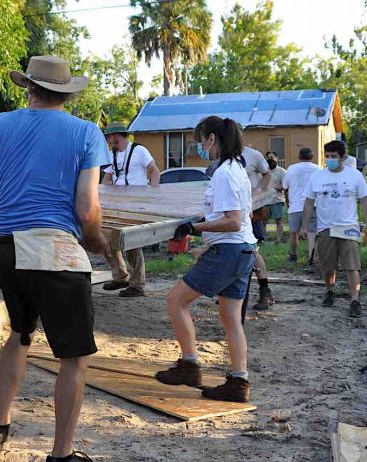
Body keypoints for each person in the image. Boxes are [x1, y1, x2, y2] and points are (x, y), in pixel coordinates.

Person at [0, 55, 109, 461]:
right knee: (73, 357)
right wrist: (96, 238)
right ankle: (61, 454)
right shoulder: (86, 133)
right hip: (55, 249)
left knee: (19, 332)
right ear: (66, 94)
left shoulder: (0, 124)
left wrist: (15, 208)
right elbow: (86, 208)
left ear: (28, 88)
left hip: (7, 247)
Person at [154, 116, 256, 402]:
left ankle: (189, 365)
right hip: (243, 250)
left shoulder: (224, 173)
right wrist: (201, 223)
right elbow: (236, 216)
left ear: (212, 139)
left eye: (200, 140)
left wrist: (195, 229)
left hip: (229, 249)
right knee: (231, 319)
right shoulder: (236, 169)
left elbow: (233, 221)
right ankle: (238, 382)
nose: (199, 146)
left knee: (176, 300)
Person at [302, 140, 367, 317]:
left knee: (352, 266)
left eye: (334, 156)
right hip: (326, 227)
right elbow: (309, 203)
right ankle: (330, 291)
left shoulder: (354, 175)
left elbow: (365, 201)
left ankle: (355, 300)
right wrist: (305, 226)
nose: (330, 159)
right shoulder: (317, 177)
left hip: (348, 227)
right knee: (328, 266)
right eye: (327, 156)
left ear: (342, 157)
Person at [100, 121, 160, 297]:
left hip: (135, 204)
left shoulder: (139, 151)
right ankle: (120, 276)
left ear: (117, 135)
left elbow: (154, 171)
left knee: (132, 243)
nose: (109, 141)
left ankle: (138, 284)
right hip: (116, 203)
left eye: (110, 137)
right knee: (108, 238)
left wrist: (154, 195)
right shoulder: (113, 155)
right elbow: (108, 178)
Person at [241, 144, 275, 311]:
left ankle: (264, 291)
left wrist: (259, 195)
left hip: (251, 210)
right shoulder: (223, 155)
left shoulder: (253, 155)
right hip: (233, 210)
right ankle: (235, 292)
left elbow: (267, 175)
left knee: (253, 251)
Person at [283, 147, 320, 264]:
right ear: (312, 157)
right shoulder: (318, 169)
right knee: (312, 233)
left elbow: (285, 186)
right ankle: (311, 258)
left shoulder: (292, 169)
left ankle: (293, 255)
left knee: (294, 233)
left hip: (296, 206)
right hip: (313, 204)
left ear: (299, 156)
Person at [264, 151, 286, 244]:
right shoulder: (264, 171)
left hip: (277, 200)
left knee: (278, 221)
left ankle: (278, 240)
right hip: (265, 201)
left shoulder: (282, 171)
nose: (270, 159)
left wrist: (274, 188)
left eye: (272, 157)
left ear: (276, 159)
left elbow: (285, 186)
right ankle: (263, 238)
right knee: (263, 221)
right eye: (268, 157)